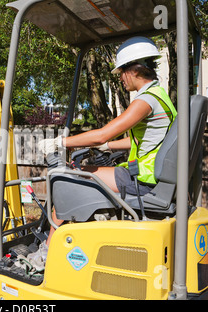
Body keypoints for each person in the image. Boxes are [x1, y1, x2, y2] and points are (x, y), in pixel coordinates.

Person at [24, 36, 177, 270]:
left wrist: (60, 142)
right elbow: (144, 141)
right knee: (80, 172)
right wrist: (108, 147)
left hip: (143, 180)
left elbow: (101, 134)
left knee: (66, 181)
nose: (121, 79)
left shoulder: (146, 100)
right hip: (149, 176)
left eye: (121, 73)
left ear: (134, 69)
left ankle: (47, 256)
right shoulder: (162, 97)